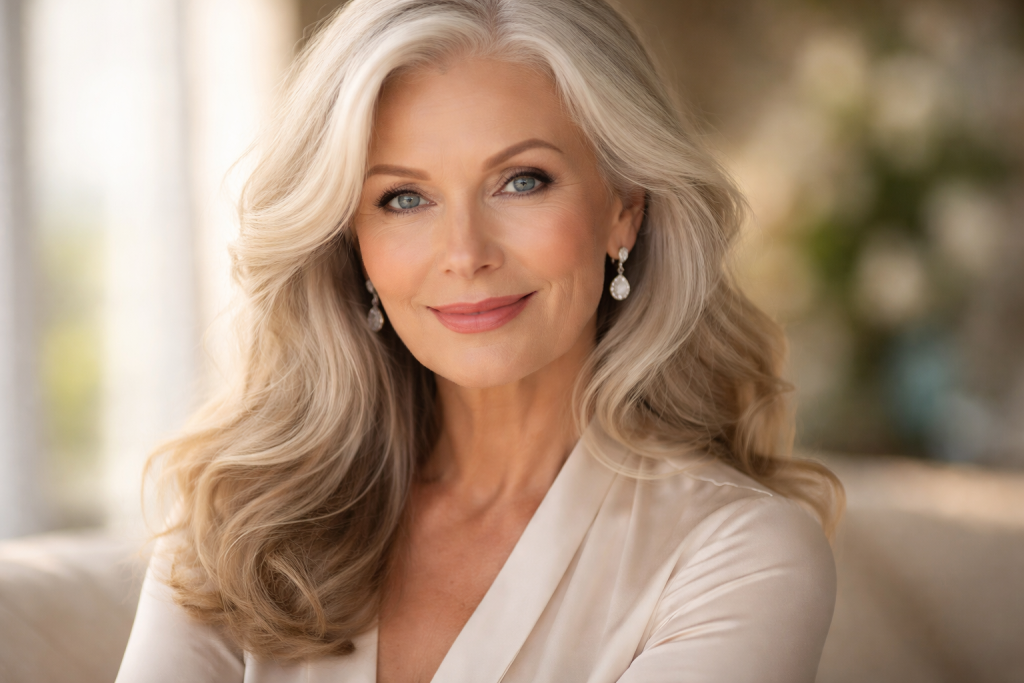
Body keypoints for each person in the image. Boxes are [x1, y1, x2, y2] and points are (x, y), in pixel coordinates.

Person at [116, 0, 844, 681]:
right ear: (352, 241)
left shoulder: (737, 554)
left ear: (624, 207)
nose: (465, 253)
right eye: (403, 197)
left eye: (522, 181)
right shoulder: (238, 524)